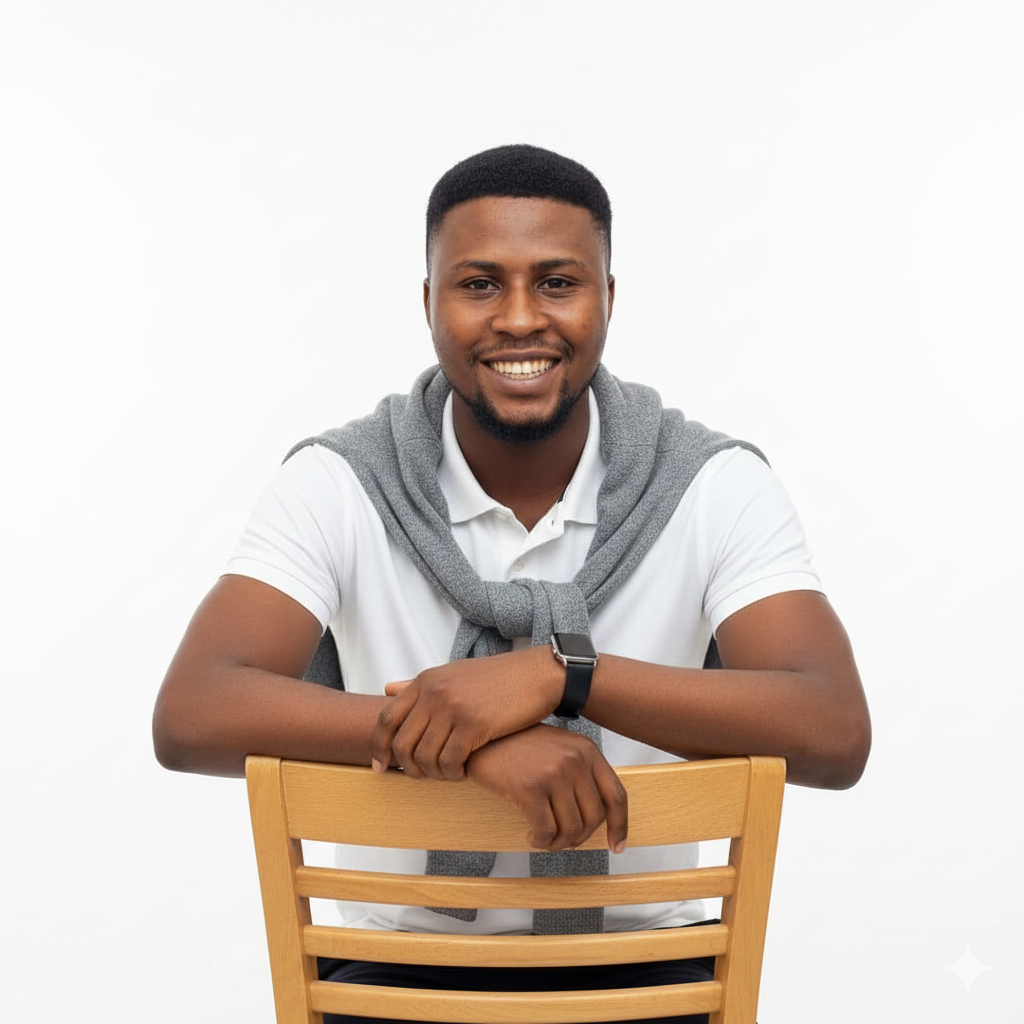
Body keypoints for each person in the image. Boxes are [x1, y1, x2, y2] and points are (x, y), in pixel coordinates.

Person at [153, 144, 871, 1024]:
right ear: (428, 302)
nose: (521, 318)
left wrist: (563, 675)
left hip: (658, 983)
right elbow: (192, 712)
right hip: (390, 983)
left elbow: (834, 731)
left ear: (610, 298)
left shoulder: (713, 485)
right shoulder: (336, 482)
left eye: (558, 283)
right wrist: (469, 740)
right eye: (480, 284)